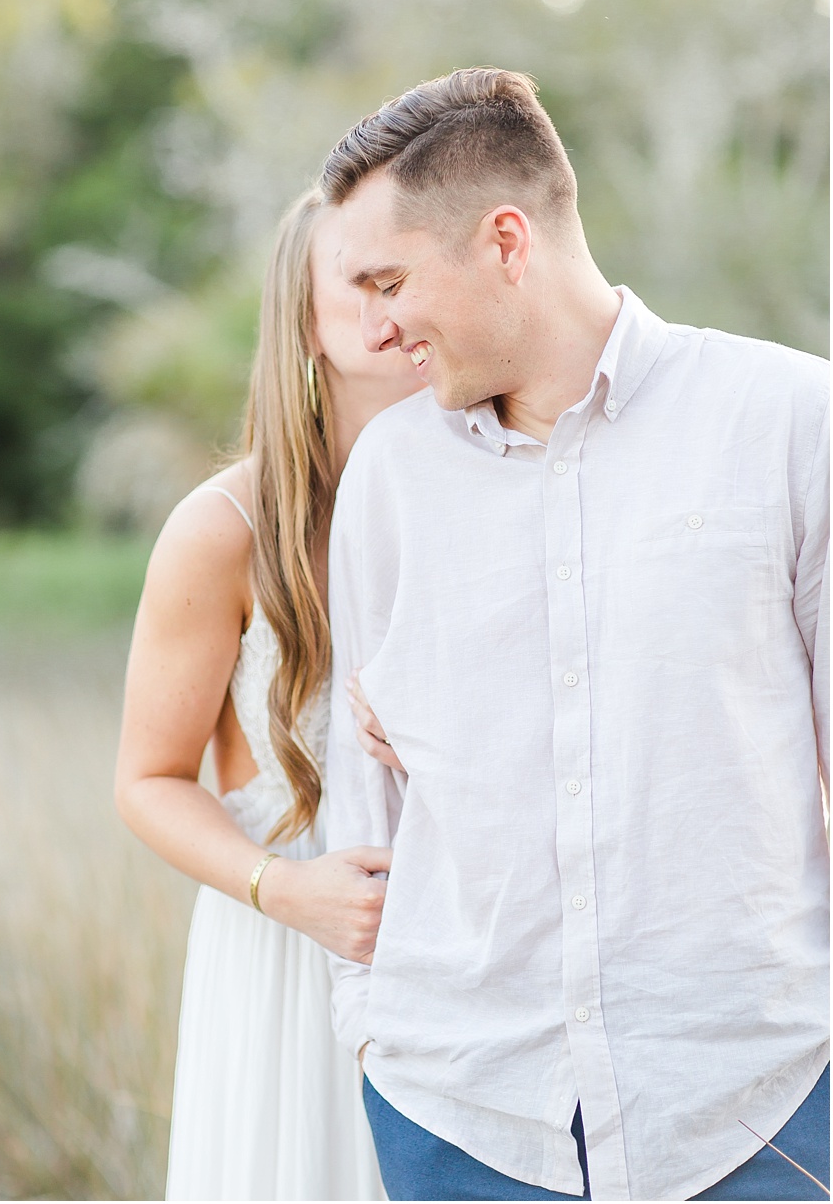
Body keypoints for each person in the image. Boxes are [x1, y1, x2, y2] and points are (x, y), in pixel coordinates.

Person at [320, 67, 828, 1200]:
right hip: (460, 1121)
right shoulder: (390, 478)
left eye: (391, 279)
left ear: (506, 241)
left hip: (761, 1114)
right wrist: (370, 1031)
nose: (376, 326)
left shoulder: (793, 424)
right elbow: (368, 807)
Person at [113, 187, 423, 1200]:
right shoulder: (222, 530)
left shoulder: (484, 501)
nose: (399, 306)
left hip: (460, 958)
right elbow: (149, 778)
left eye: (408, 277)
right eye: (368, 282)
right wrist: (285, 890)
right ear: (304, 318)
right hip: (290, 957)